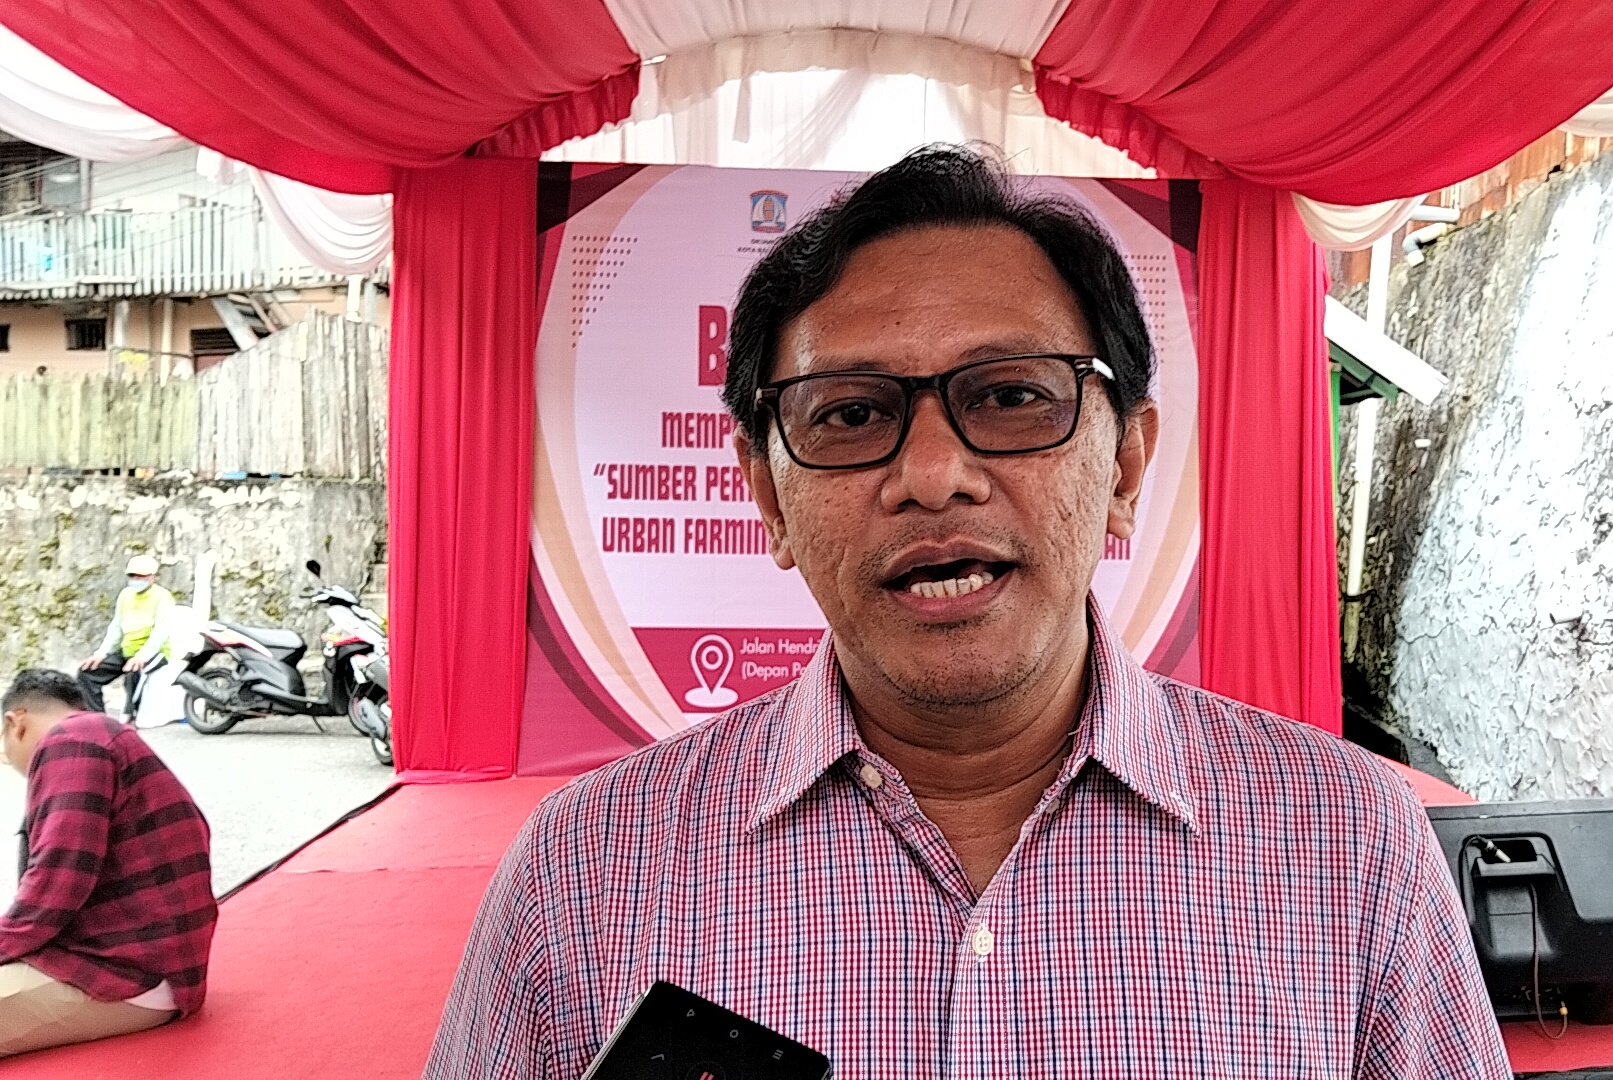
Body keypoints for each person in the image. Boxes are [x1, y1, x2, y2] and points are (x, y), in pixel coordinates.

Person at [427, 146, 1507, 1079]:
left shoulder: (1354, 851)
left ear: (1126, 466)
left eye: (1010, 397)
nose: (934, 476)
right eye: (852, 414)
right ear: (771, 500)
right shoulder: (585, 876)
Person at [0, 669, 216, 1057]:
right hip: (151, 965)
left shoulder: (71, 741)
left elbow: (55, 884)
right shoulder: (101, 734)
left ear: (16, 723)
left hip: (124, 976)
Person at [77, 554, 175, 716]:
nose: (136, 579)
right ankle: (97, 717)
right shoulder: (125, 595)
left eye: (141, 576)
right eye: (132, 576)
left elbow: (161, 633)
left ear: (153, 577)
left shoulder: (163, 597)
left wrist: (142, 656)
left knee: (133, 675)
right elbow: (116, 627)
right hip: (127, 652)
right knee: (88, 672)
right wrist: (101, 653)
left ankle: (131, 717)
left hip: (154, 654)